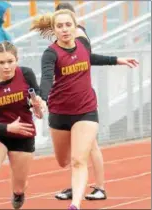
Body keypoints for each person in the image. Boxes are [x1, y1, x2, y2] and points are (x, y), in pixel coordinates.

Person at [31, 9, 139, 210]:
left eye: (68, 25)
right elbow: (46, 79)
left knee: (78, 159)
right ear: (54, 30)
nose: (64, 30)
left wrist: (118, 60)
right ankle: (78, 186)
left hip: (86, 110)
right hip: (60, 113)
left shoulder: (82, 44)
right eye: (60, 26)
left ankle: (75, 204)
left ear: (76, 26)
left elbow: (90, 58)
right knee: (63, 161)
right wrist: (42, 99)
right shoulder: (50, 53)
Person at [0, 41, 45, 210]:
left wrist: (38, 104)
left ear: (17, 60)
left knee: (19, 186)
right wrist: (7, 128)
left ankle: (18, 193)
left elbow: (37, 98)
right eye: (1, 63)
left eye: (10, 61)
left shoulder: (26, 74)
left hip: (23, 134)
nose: (6, 67)